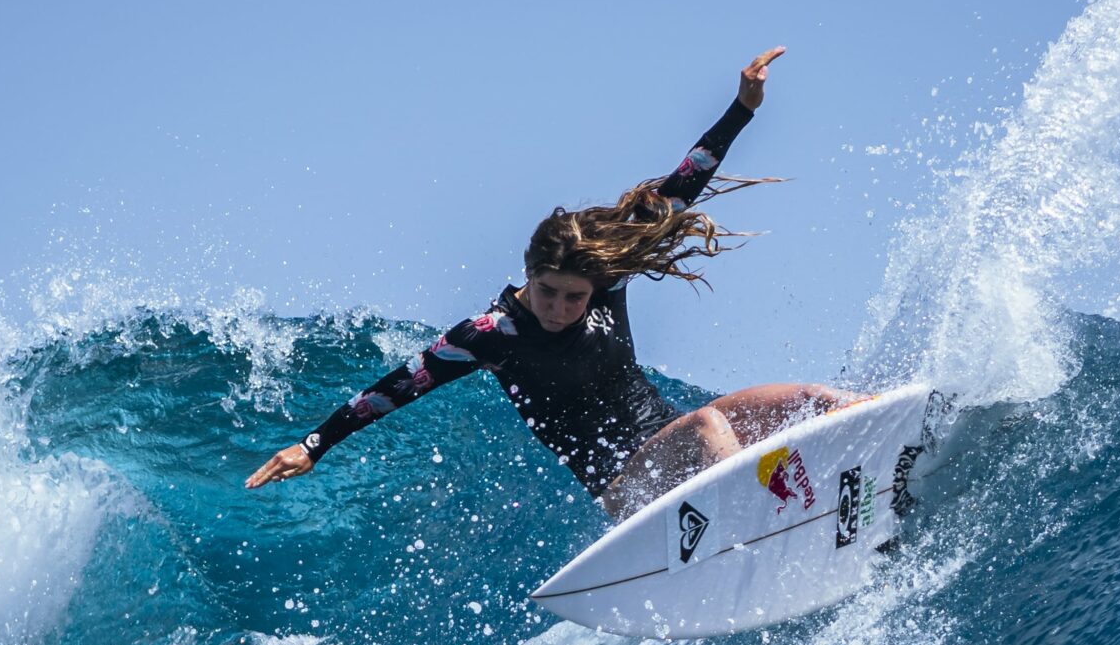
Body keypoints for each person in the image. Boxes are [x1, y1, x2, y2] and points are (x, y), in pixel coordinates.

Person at [245, 46, 862, 519]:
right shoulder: (490, 335)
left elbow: (678, 187)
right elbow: (392, 390)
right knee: (708, 427)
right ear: (528, 276)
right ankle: (762, 523)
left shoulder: (606, 279)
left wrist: (741, 111)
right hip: (625, 485)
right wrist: (314, 444)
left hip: (678, 443)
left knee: (817, 401)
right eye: (550, 293)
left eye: (575, 296)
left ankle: (888, 465)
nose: (563, 307)